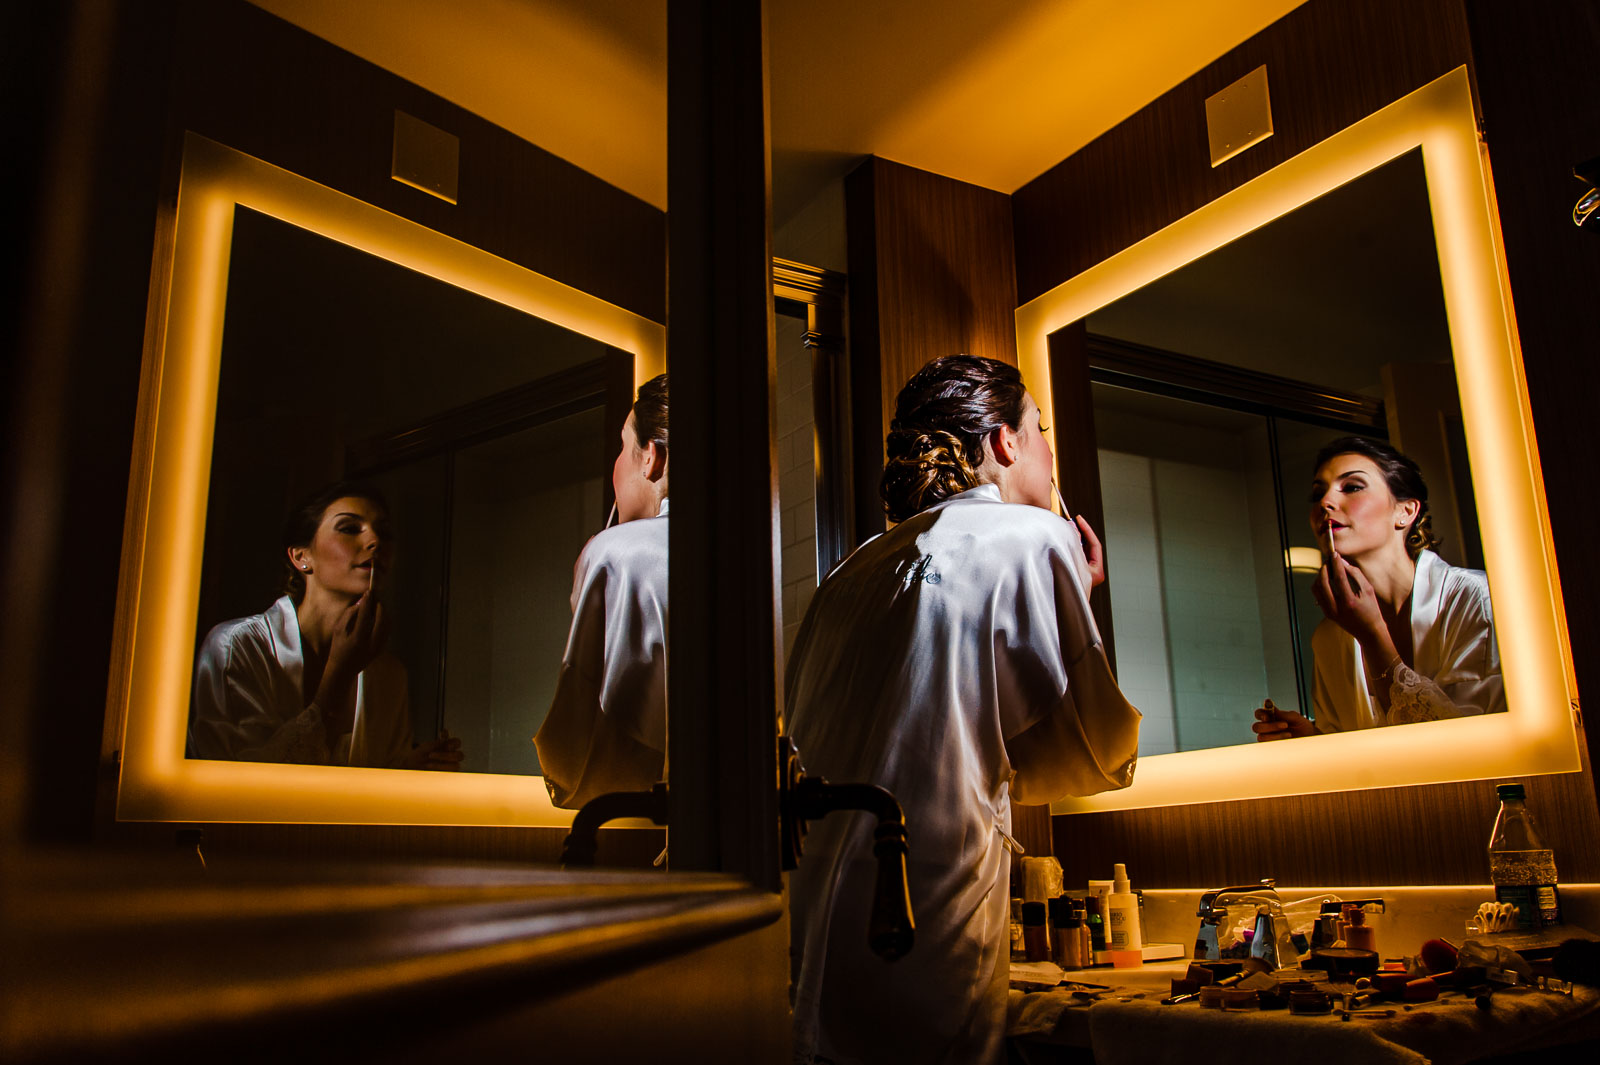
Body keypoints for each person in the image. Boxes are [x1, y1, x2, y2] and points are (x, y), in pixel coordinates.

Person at [785, 355, 1142, 1065]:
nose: (1046, 454)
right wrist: (1077, 592)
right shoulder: (1034, 538)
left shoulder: (846, 573)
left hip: (812, 960)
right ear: (1007, 444)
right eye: (1042, 432)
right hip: (923, 938)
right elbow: (1093, 753)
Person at [189, 482, 462, 769]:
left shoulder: (388, 674)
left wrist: (408, 771)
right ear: (301, 556)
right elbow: (242, 787)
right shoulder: (237, 646)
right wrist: (340, 673)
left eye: (384, 531)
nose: (375, 542)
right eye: (349, 528)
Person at [1254, 436, 1504, 740]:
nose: (1325, 503)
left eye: (1352, 487)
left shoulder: (1474, 598)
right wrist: (1313, 740)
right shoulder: (1330, 637)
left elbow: (1471, 746)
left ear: (1406, 512)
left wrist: (1372, 635)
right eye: (1318, 493)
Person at [534, 374, 669, 809]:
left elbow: (576, 764)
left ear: (651, 457)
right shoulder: (749, 550)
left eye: (621, 445)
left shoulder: (616, 554)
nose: (616, 463)